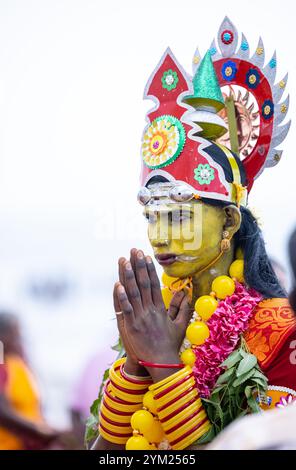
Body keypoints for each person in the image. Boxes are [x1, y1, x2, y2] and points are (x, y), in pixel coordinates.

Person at [92, 17, 295, 451]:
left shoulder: (280, 333)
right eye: (152, 217)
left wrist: (164, 364)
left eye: (179, 217)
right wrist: (134, 362)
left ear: (229, 222)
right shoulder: (158, 319)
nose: (159, 238)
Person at [0, 312, 59, 449]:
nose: (18, 339)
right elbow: (2, 411)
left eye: (18, 335)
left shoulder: (18, 363)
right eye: (13, 335)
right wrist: (38, 430)